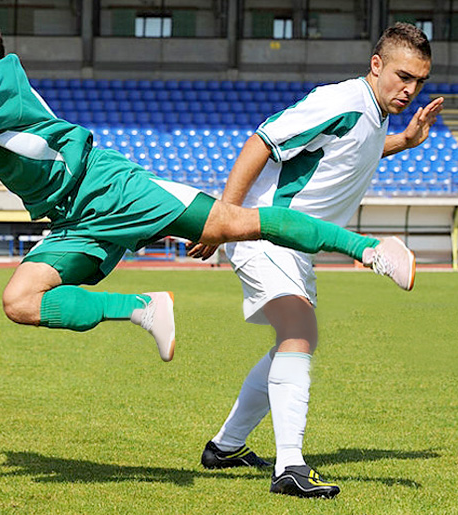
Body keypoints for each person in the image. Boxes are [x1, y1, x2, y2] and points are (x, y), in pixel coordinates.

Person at [0, 12, 416, 365]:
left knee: (236, 223)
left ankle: (371, 250)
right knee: (20, 301)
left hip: (110, 187)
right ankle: (143, 307)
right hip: (73, 218)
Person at [186, 22, 443, 498]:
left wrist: (405, 141)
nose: (410, 89)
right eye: (403, 76)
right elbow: (262, 141)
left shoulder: (374, 111)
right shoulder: (341, 100)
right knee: (298, 333)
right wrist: (222, 219)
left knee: (294, 341)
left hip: (297, 248)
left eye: (420, 82)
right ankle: (290, 467)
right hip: (267, 233)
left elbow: (352, 153)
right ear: (376, 65)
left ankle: (226, 447)